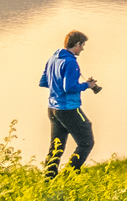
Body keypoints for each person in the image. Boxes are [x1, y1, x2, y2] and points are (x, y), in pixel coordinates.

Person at [39, 29, 101, 177]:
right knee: (86, 142)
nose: (83, 48)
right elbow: (70, 87)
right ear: (77, 44)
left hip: (53, 108)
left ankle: (48, 179)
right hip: (69, 109)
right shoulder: (71, 62)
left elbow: (43, 82)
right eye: (82, 45)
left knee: (56, 146)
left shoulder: (52, 59)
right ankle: (68, 175)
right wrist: (87, 85)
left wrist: (58, 85)